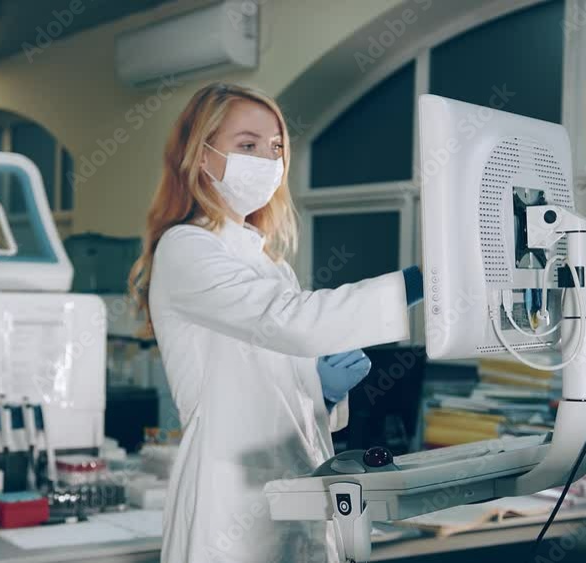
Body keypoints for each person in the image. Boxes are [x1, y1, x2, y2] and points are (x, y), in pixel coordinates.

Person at [129, 83, 423, 563]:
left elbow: (279, 376)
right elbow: (290, 322)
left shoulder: (271, 265)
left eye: (276, 148)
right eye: (247, 145)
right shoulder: (186, 247)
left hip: (297, 487)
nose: (267, 161)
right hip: (228, 502)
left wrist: (320, 392)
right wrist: (417, 282)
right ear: (200, 156)